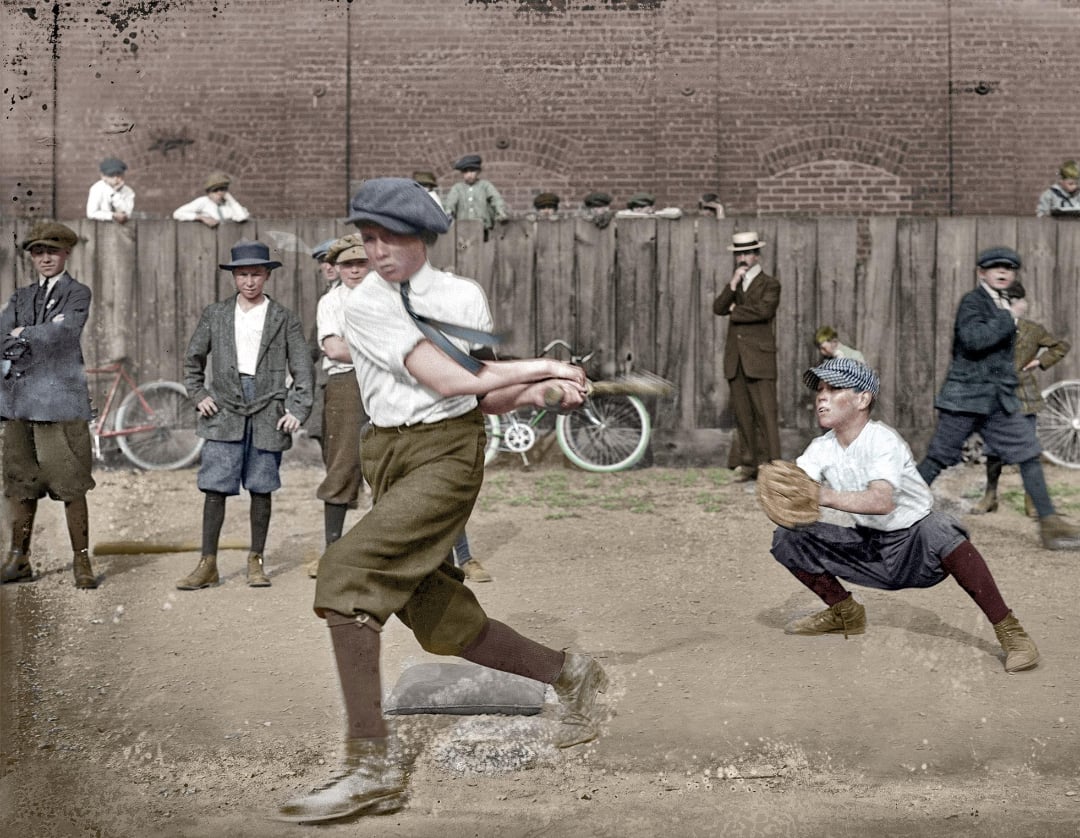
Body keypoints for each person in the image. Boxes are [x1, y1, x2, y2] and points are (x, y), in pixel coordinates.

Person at [276, 178, 607, 824]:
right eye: (368, 239)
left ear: (423, 238)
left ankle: (370, 767)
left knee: (347, 572)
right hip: (389, 457)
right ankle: (571, 673)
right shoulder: (362, 306)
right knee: (438, 618)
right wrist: (543, 369)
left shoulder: (460, 297)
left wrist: (541, 394)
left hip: (448, 457)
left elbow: (476, 397)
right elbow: (450, 376)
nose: (377, 252)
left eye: (391, 238)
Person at [769, 357, 1040, 674]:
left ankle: (1012, 633)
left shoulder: (882, 440)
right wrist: (782, 500)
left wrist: (819, 495)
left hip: (916, 549)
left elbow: (881, 501)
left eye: (834, 388)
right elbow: (799, 493)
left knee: (939, 526)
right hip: (868, 546)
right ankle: (844, 612)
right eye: (820, 389)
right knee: (788, 537)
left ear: (862, 399)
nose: (821, 396)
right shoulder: (820, 448)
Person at [916, 246, 1080, 551]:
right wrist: (1009, 317)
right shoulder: (974, 302)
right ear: (982, 273)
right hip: (965, 399)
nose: (1003, 272)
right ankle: (889, 513)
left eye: (1008, 268)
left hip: (998, 401)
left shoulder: (1000, 305)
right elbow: (973, 341)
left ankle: (1051, 527)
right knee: (938, 457)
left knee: (1029, 454)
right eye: (995, 268)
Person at [177, 239, 313, 590]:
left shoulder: (283, 318)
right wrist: (199, 394)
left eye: (256, 274)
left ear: (267, 276)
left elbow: (302, 368)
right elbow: (193, 360)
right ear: (233, 277)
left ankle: (257, 559)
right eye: (242, 275)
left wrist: (297, 409)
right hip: (224, 407)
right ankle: (207, 563)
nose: (249, 282)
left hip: (268, 407)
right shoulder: (217, 314)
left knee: (261, 484)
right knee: (215, 486)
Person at [0, 222, 98, 589]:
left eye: (52, 251)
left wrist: (21, 334)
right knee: (20, 483)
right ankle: (18, 559)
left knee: (71, 484)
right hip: (20, 404)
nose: (45, 258)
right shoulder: (21, 298)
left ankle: (81, 563)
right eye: (38, 252)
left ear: (66, 253)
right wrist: (25, 336)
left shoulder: (77, 293)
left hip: (60, 405)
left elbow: (64, 334)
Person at [970, 281, 1071, 516]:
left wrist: (1039, 362)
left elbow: (1060, 346)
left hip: (1024, 398)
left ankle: (1032, 501)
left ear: (1015, 304)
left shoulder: (1032, 330)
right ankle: (990, 496)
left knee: (1027, 449)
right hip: (994, 398)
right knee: (992, 450)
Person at [308, 234, 371, 579]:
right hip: (347, 384)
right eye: (348, 264)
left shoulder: (388, 296)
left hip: (389, 382)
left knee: (390, 461)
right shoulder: (330, 302)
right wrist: (382, 348)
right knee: (343, 461)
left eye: (361, 263)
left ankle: (387, 551)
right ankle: (332, 553)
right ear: (337, 268)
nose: (355, 271)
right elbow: (334, 350)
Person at [712, 231, 782, 481]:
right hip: (737, 360)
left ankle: (773, 467)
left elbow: (764, 311)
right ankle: (749, 465)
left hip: (759, 360)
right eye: (738, 254)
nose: (742, 258)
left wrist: (735, 310)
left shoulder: (770, 283)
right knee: (743, 415)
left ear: (756, 255)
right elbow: (718, 308)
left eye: (747, 253)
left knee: (766, 414)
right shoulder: (735, 284)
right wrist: (731, 286)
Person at [443, 154, 508, 236]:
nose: (469, 174)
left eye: (472, 171)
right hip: (463, 228)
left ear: (478, 171)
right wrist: (449, 212)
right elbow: (450, 202)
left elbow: (496, 199)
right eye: (466, 171)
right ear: (462, 173)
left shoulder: (485, 185)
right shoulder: (457, 188)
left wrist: (501, 211)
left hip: (483, 228)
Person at [172, 172, 250, 227]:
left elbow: (242, 217)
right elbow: (177, 213)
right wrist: (201, 217)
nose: (219, 193)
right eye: (215, 190)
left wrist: (230, 199)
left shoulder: (230, 204)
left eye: (223, 189)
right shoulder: (204, 201)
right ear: (209, 193)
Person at [86, 157, 134, 224]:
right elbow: (91, 213)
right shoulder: (97, 189)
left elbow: (127, 213)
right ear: (103, 176)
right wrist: (112, 215)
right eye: (111, 175)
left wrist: (115, 194)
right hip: (100, 227)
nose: (115, 178)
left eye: (119, 174)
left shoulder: (128, 191)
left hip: (123, 229)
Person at [615, 192, 682, 219]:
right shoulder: (628, 215)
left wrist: (653, 214)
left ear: (651, 208)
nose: (638, 209)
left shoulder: (655, 215)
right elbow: (619, 214)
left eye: (642, 206)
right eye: (635, 207)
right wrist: (645, 216)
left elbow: (677, 212)